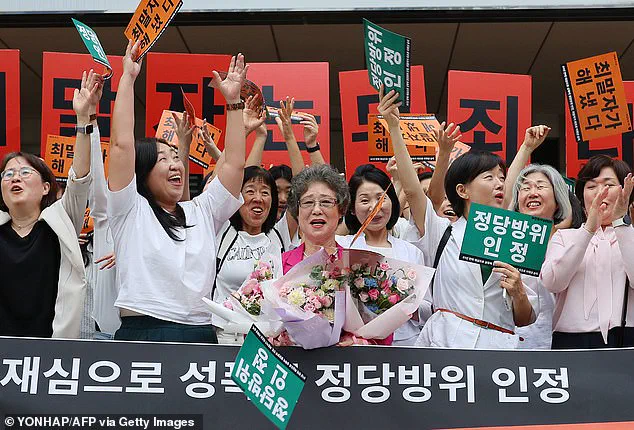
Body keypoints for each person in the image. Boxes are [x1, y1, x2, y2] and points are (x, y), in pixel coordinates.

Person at [107, 41, 247, 343]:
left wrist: (234, 103)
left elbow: (234, 165)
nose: (176, 165)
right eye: (163, 159)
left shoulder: (203, 211)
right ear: (142, 172)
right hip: (143, 332)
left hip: (199, 333)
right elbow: (121, 145)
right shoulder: (129, 208)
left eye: (176, 157)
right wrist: (128, 78)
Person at [377, 87, 538, 349]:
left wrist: (519, 291)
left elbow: (525, 318)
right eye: (489, 177)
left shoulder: (514, 239)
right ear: (463, 190)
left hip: (499, 353)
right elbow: (413, 191)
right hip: (447, 348)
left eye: (501, 177)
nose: (499, 183)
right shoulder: (442, 232)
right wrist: (395, 128)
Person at [0, 69, 97, 338]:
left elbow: (80, 179)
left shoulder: (60, 221)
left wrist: (82, 120)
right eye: (7, 174)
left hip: (50, 350)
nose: (15, 177)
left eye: (24, 172)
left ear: (45, 187)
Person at [541, 155, 634, 349]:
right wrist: (588, 231)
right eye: (591, 186)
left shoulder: (630, 236)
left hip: (626, 336)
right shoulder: (564, 237)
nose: (600, 192)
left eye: (608, 185)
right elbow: (552, 282)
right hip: (572, 339)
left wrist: (621, 224)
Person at [338, 164, 426, 345]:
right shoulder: (343, 247)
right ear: (352, 208)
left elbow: (427, 308)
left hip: (405, 344)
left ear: (392, 201)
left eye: (381, 198)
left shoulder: (411, 252)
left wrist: (402, 302)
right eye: (364, 200)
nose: (374, 207)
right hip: (355, 345)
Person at [212, 166, 285, 344]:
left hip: (266, 340)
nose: (258, 198)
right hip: (225, 336)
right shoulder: (221, 229)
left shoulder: (280, 235)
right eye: (250, 191)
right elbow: (230, 171)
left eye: (265, 192)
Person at [508, 160, 572, 349]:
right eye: (525, 188)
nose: (532, 193)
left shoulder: (571, 243)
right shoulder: (505, 244)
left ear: (558, 201)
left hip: (560, 345)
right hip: (512, 345)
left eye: (540, 186)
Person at [282, 164, 350, 274]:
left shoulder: (355, 265)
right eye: (308, 202)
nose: (316, 210)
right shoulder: (278, 265)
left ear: (341, 210)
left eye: (326, 202)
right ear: (297, 212)